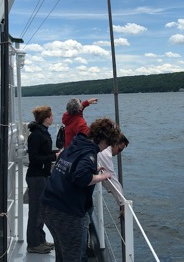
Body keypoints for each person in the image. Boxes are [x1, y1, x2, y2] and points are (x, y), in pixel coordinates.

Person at [40, 117, 121, 262]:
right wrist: (103, 177)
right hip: (66, 213)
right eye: (108, 144)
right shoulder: (89, 153)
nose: (106, 148)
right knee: (72, 256)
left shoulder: (76, 143)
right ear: (104, 140)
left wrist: (93, 169)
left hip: (48, 206)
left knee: (62, 254)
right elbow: (81, 178)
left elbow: (68, 164)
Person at [26, 106, 61, 254]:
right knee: (36, 210)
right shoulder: (36, 135)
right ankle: (33, 244)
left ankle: (40, 239)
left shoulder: (42, 132)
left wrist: (58, 153)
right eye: (51, 116)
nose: (53, 118)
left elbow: (44, 153)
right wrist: (54, 157)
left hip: (42, 175)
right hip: (36, 176)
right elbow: (34, 158)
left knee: (41, 210)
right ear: (46, 118)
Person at [98, 133, 129, 207]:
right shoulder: (106, 154)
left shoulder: (103, 150)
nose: (119, 153)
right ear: (114, 143)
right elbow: (112, 179)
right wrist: (123, 203)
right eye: (119, 149)